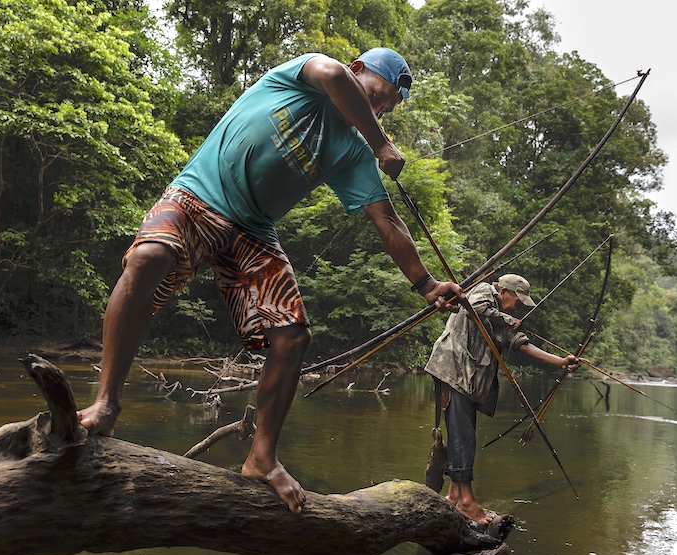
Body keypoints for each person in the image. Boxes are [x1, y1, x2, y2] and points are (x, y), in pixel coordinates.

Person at [76, 47, 461, 514]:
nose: (378, 110)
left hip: (253, 232)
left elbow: (389, 222)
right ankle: (106, 406)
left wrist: (427, 286)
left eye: (386, 109)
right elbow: (333, 74)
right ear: (360, 70)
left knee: (293, 336)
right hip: (197, 196)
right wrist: (381, 141)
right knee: (147, 258)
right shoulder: (308, 76)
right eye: (379, 96)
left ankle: (261, 458)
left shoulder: (353, 151)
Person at [424, 274, 580, 525]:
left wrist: (561, 362)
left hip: (468, 381)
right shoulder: (484, 291)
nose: (518, 307)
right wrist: (508, 318)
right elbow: (474, 305)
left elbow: (522, 345)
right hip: (453, 371)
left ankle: (454, 496)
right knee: (463, 436)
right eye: (518, 300)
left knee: (461, 435)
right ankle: (466, 503)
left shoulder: (498, 319)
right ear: (504, 291)